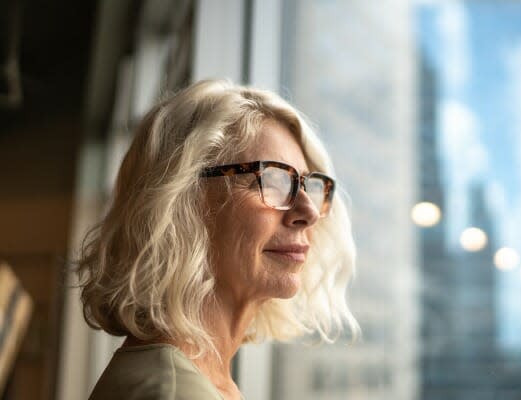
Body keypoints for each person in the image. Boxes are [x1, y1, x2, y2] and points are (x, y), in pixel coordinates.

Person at [76, 79, 359, 400]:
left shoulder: (197, 380)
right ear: (182, 201)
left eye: (308, 185)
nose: (307, 211)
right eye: (272, 180)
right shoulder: (172, 392)